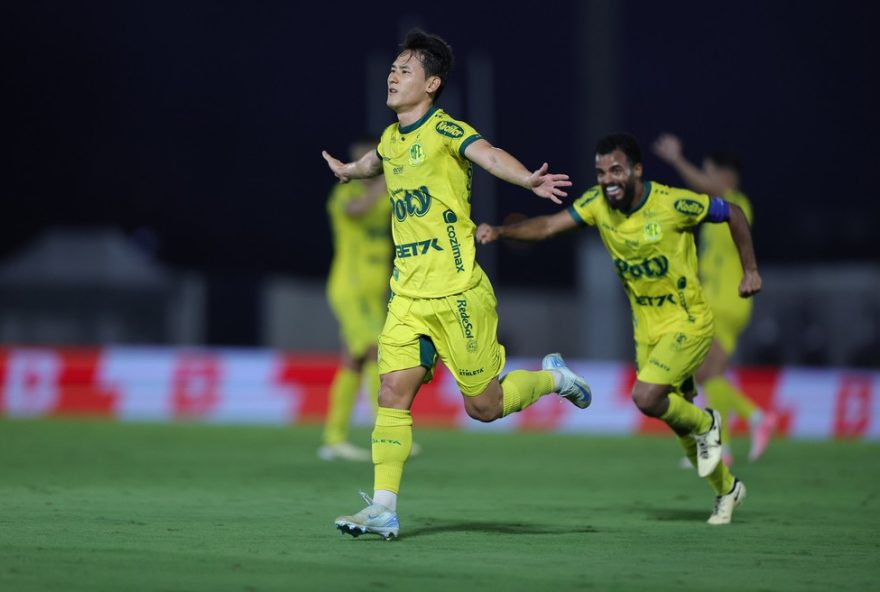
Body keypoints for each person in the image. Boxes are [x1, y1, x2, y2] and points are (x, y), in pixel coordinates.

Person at [321, 29, 591, 540]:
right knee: (391, 390)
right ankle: (383, 508)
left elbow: (489, 154)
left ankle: (553, 379)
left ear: (432, 84)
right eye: (393, 68)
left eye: (405, 70)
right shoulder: (391, 138)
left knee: (484, 406)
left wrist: (527, 179)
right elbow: (376, 161)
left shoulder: (446, 129)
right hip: (407, 296)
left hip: (458, 292)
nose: (393, 76)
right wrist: (349, 170)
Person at [477, 132, 762, 525]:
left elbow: (733, 212)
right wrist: (502, 231)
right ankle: (726, 490)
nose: (607, 179)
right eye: (600, 172)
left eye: (616, 170)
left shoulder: (671, 203)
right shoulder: (597, 204)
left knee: (646, 397)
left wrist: (750, 270)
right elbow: (547, 227)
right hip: (646, 330)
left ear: (637, 170)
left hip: (688, 320)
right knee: (676, 420)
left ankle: (707, 422)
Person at [652, 134, 777, 465]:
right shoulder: (716, 214)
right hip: (725, 302)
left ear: (725, 176)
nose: (704, 179)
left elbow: (710, 188)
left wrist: (677, 160)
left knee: (705, 373)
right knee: (709, 375)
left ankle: (732, 436)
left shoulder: (734, 202)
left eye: (708, 172)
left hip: (724, 301)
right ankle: (744, 428)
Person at [319, 138, 391, 462]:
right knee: (377, 349)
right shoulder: (345, 194)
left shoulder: (388, 196)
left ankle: (334, 439)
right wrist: (386, 178)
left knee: (354, 359)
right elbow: (358, 211)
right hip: (351, 287)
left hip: (374, 292)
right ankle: (385, 433)